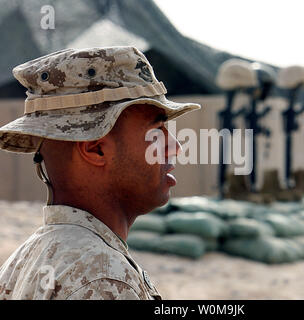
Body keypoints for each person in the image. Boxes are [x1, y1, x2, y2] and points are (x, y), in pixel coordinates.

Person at [0, 46, 200, 299]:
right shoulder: (103, 278)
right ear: (96, 150)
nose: (175, 146)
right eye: (155, 131)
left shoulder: (26, 258)